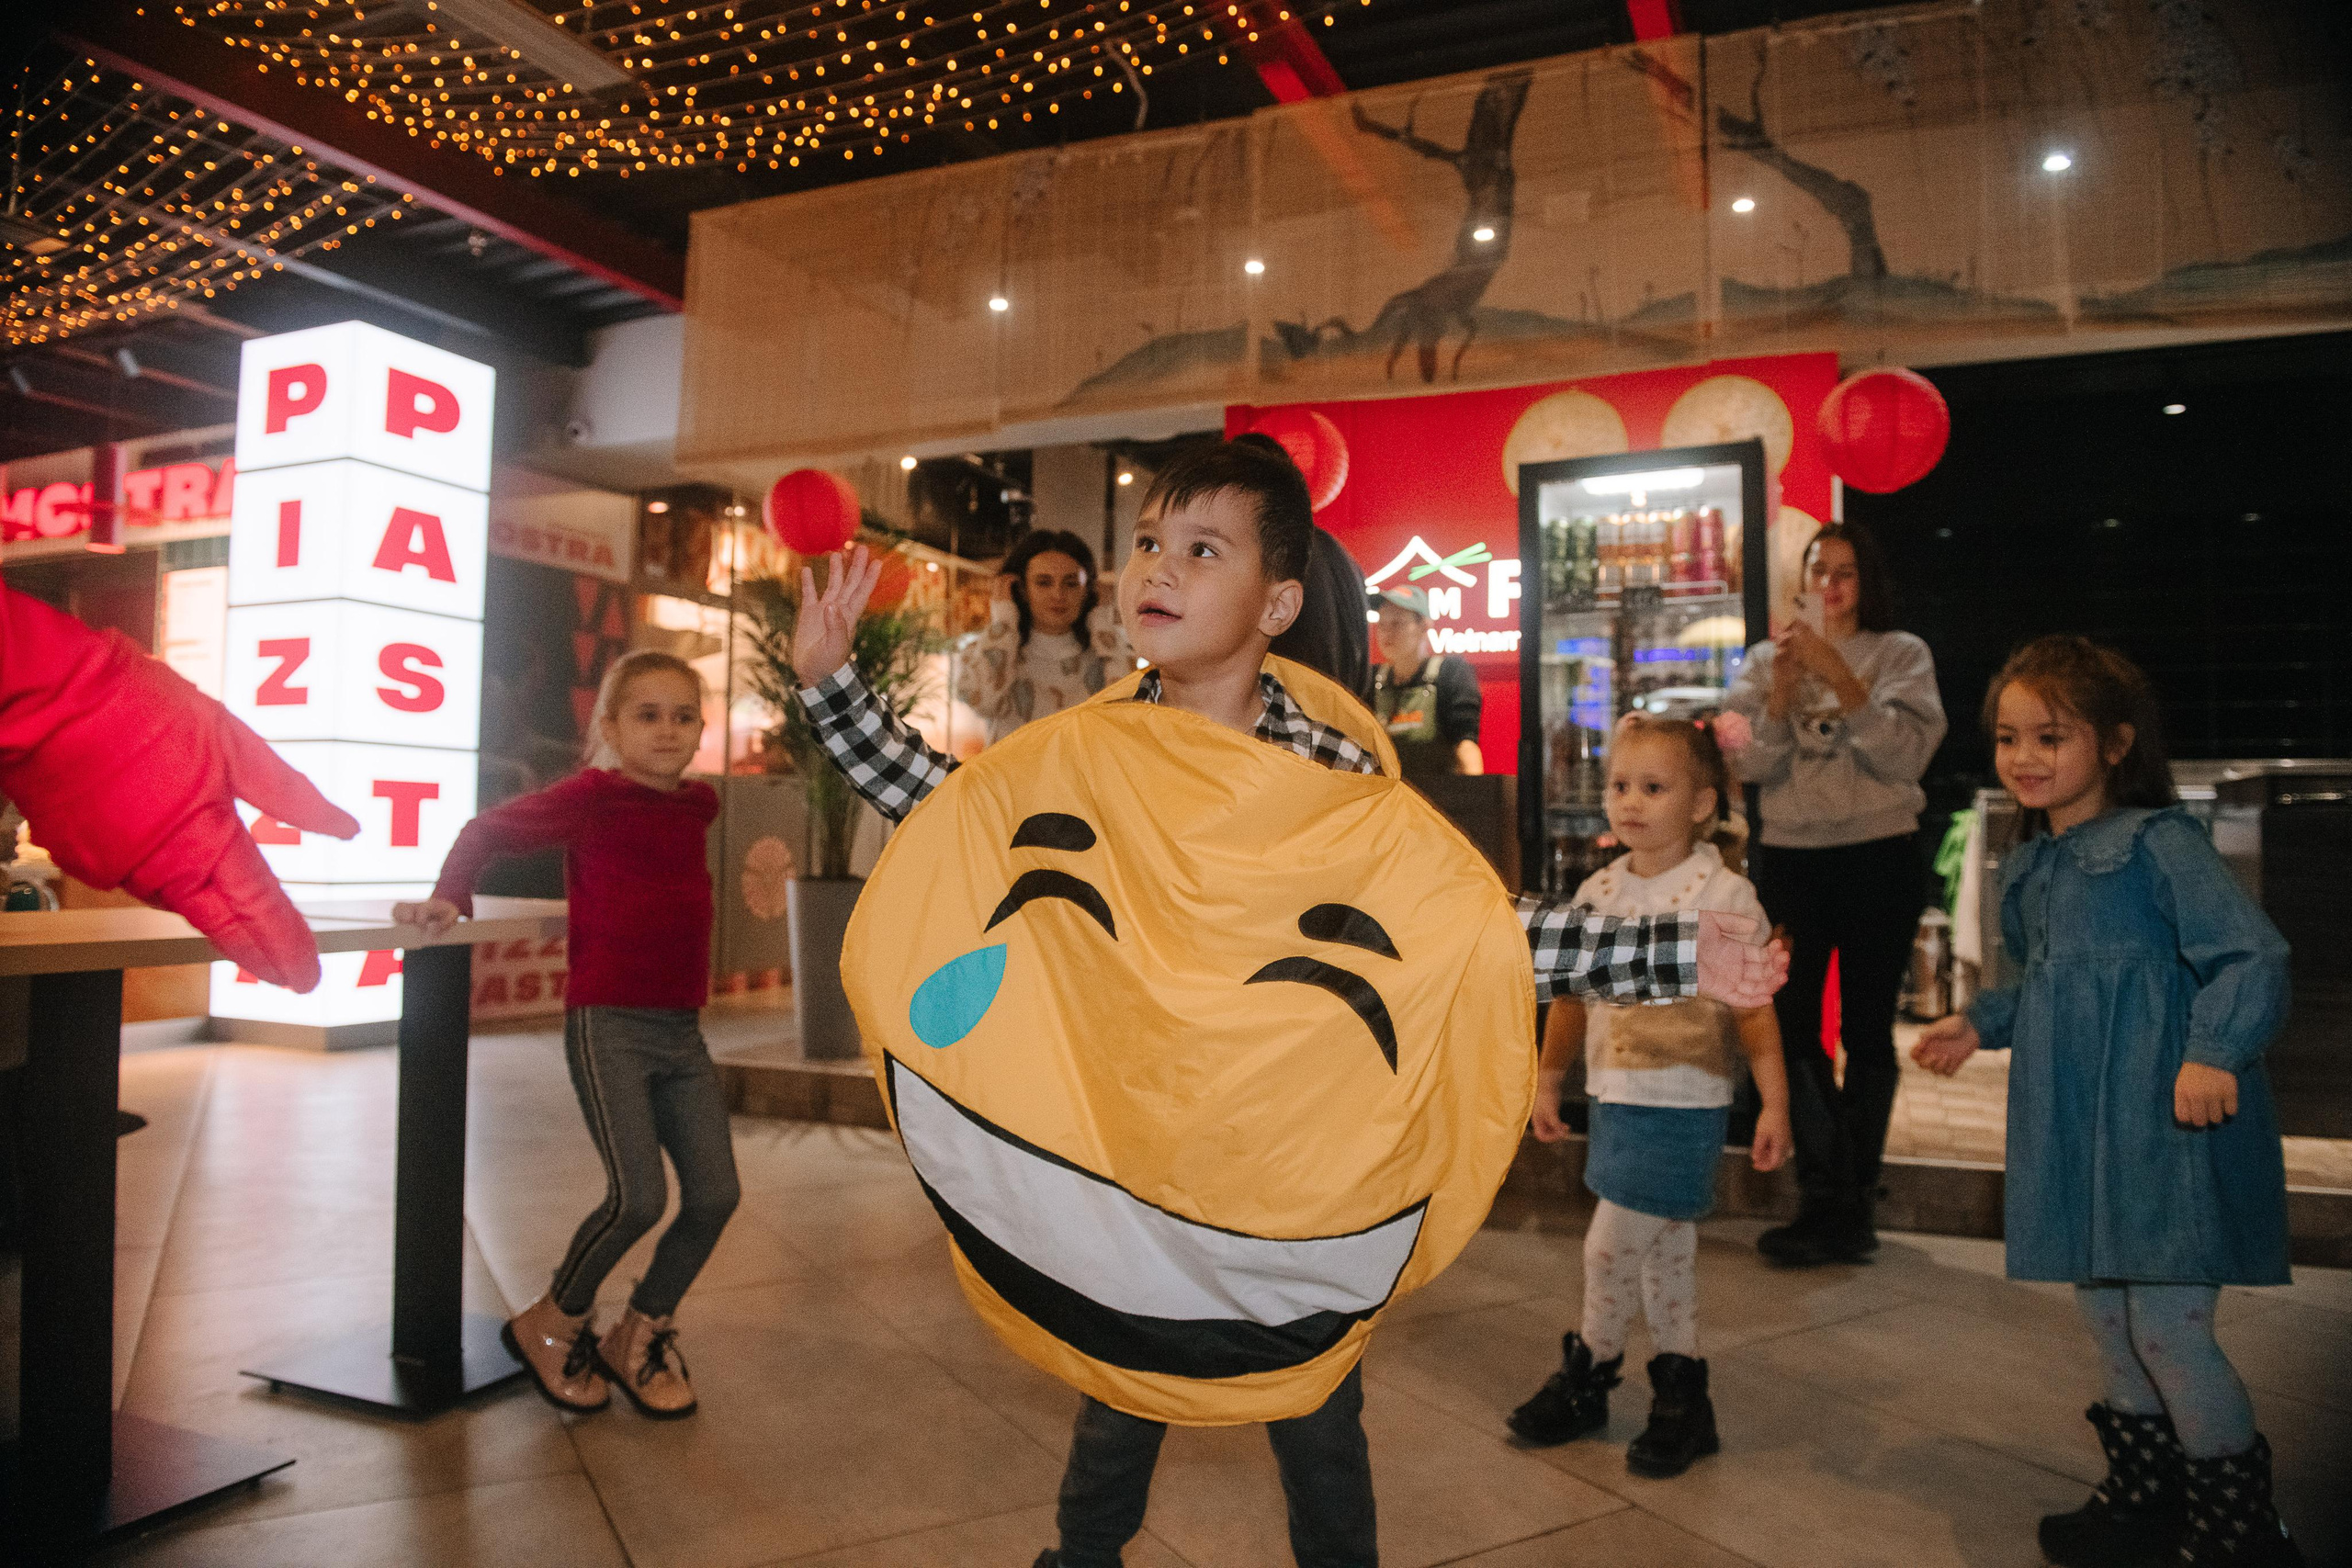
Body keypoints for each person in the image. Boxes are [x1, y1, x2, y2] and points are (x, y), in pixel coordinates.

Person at [789, 439, 1785, 1568]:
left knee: (1313, 1396)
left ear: (1276, 601)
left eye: (1200, 549)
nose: (1158, 568)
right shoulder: (1096, 749)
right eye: (1151, 544)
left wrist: (1673, 953)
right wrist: (833, 688)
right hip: (1130, 1128)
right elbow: (954, 813)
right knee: (1124, 1370)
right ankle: (1082, 1558)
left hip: (1278, 1151)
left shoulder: (1330, 775)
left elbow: (1464, 925)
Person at [1912, 637, 2300, 1568]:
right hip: (2077, 1125)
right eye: (2009, 738)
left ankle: (2239, 1533)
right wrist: (1982, 1022)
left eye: (2052, 736)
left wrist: (2213, 1052)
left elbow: (2251, 953)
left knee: (2168, 1328)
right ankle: (2144, 1497)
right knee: (2109, 1319)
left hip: (2160, 1127)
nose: (2024, 758)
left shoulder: (2158, 843)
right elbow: (2049, 981)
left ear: (2117, 743)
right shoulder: (2036, 865)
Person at [393, 650, 738, 1421]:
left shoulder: (698, 806)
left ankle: (639, 1330)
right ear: (610, 726)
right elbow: (484, 831)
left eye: (684, 716)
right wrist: (450, 895)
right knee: (638, 1196)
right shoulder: (592, 797)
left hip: (682, 1032)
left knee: (716, 1193)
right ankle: (552, 1321)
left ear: (701, 730)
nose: (667, 730)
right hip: (609, 1022)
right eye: (646, 714)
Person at [1508, 715, 1792, 1479]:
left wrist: (1775, 1103)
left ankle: (1590, 1373)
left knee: (1607, 1248)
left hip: (1684, 1099)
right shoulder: (1598, 888)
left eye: (1654, 787)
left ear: (1702, 803)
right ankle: (1681, 1395)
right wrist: (1549, 1077)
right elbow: (1567, 995)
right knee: (1666, 1251)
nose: (1629, 801)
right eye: (1619, 785)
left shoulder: (1726, 894)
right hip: (1615, 1097)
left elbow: (1757, 1013)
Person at [1723, 519, 1945, 1266]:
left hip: (1880, 852)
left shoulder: (1901, 653)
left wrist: (1841, 676)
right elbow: (1750, 766)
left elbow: (1905, 755)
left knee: (1868, 1029)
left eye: (1846, 571)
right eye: (1820, 569)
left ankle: (1847, 1199)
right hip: (1791, 859)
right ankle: (1835, 1197)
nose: (1831, 584)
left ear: (1867, 580)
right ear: (1804, 578)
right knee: (1789, 1021)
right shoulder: (1764, 660)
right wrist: (1786, 685)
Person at [955, 529, 1134, 744]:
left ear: (1087, 591)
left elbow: (1129, 716)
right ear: (1021, 589)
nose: (1058, 595)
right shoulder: (985, 651)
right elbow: (983, 701)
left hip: (1084, 777)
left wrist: (1103, 626)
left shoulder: (1107, 657)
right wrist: (1003, 622)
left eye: (1070, 583)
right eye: (1043, 582)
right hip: (1013, 777)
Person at [1369, 586, 1485, 782]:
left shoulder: (1450, 672)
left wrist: (1475, 799)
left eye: (1397, 623)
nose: (1386, 632)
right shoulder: (1370, 679)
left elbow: (1465, 743)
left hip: (1438, 799)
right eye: (1382, 625)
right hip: (1386, 802)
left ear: (1424, 626)